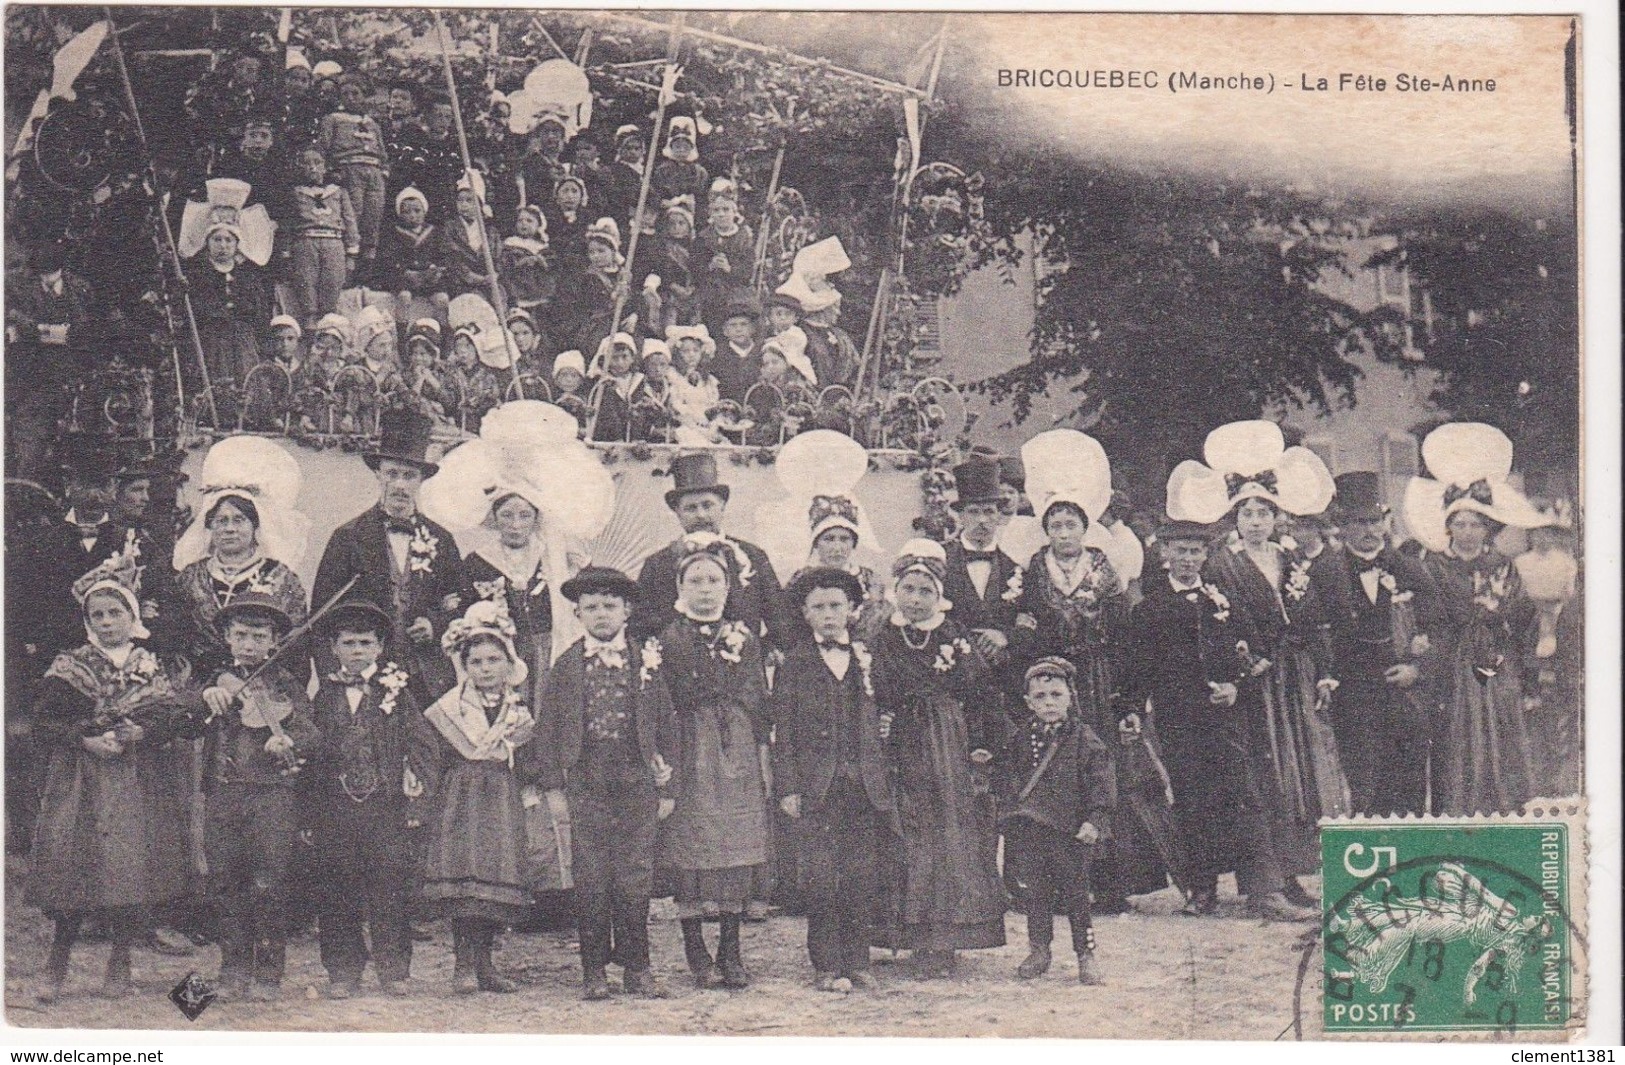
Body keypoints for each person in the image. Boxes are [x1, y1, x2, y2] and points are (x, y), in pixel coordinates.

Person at [1166, 420, 1346, 902]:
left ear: (1276, 517)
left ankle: (1291, 872)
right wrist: (1246, 663)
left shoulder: (1289, 561)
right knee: (1261, 775)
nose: (1256, 522)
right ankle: (1262, 878)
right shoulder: (1222, 565)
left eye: (1264, 512)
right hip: (1252, 682)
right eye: (1247, 513)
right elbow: (1217, 626)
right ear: (1235, 519)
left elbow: (1314, 621)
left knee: (1296, 772)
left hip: (1291, 679)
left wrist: (1322, 671)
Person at [1115, 519, 1310, 921]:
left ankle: (1264, 890)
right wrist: (1130, 710)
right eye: (1180, 551)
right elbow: (1136, 670)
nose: (1188, 559)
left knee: (1245, 796)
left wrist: (1236, 685)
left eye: (1195, 551)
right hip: (1178, 718)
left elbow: (1255, 652)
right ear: (1165, 554)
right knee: (1192, 800)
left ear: (1206, 555)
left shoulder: (1223, 600)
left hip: (1226, 717)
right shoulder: (1149, 609)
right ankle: (1201, 889)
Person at [27, 549, 199, 1001]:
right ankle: (56, 967)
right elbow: (43, 724)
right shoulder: (70, 667)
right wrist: (84, 739)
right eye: (97, 615)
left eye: (115, 613)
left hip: (138, 781)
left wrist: (143, 732)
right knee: (76, 869)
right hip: (83, 783)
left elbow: (176, 719)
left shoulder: (151, 665)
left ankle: (120, 962)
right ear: (87, 622)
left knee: (130, 870)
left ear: (132, 615)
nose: (106, 622)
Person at [1013, 433, 1168, 912]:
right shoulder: (1033, 570)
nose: (1064, 534)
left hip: (1098, 681)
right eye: (1055, 525)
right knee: (1058, 774)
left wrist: (1127, 699)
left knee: (1100, 772)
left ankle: (1111, 882)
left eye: (1071, 524)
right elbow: (1025, 625)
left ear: (1085, 527)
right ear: (1046, 530)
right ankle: (1062, 884)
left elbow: (1126, 639)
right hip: (1053, 684)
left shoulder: (1105, 570)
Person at [537, 567, 677, 1000]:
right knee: (592, 877)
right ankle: (593, 970)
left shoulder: (647, 662)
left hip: (636, 781)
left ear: (627, 610)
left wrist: (667, 785)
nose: (601, 614)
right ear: (578, 613)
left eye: (610, 606)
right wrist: (553, 788)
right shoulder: (567, 666)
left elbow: (667, 724)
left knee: (635, 877)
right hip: (587, 782)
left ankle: (638, 968)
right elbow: (548, 730)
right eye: (592, 607)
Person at [872, 538, 1007, 976]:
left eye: (925, 591)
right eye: (908, 590)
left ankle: (946, 938)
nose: (915, 600)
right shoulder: (882, 636)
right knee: (905, 832)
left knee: (947, 835)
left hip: (945, 744)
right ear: (896, 591)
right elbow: (871, 689)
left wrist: (981, 743)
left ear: (939, 595)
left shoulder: (952, 636)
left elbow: (982, 692)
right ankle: (906, 934)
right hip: (899, 744)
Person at [1403, 422, 1544, 815]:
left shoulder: (1502, 565)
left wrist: (1526, 670)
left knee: (1501, 729)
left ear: (1489, 528)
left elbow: (1524, 618)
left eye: (1476, 524)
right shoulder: (1432, 566)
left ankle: (1502, 809)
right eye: (1460, 523)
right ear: (1448, 526)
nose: (1467, 531)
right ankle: (1457, 810)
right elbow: (1424, 616)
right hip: (1451, 663)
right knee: (1455, 736)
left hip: (1497, 663)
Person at [302, 601, 437, 999]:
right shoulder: (324, 695)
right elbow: (312, 754)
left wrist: (416, 798)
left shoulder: (397, 692)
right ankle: (343, 970)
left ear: (379, 647)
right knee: (337, 886)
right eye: (348, 643)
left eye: (365, 643)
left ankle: (393, 968)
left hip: (384, 805)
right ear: (334, 648)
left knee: (389, 886)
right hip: (336, 807)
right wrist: (310, 811)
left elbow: (422, 747)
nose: (357, 651)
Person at [774, 567, 897, 992]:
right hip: (817, 787)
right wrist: (788, 787)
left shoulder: (866, 658)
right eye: (819, 607)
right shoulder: (795, 663)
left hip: (863, 784)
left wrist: (884, 739)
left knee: (862, 875)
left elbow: (886, 707)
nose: (828, 615)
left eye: (836, 606)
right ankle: (826, 964)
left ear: (851, 610)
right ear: (805, 614)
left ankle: (858, 960)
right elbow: (784, 730)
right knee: (822, 878)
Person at [657, 536, 772, 989]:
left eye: (713, 581)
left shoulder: (744, 636)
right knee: (691, 841)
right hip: (688, 744)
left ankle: (731, 946)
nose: (705, 589)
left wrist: (757, 743)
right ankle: (695, 947)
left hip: (735, 744)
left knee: (736, 841)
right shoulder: (668, 638)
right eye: (695, 581)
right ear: (680, 587)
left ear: (727, 587)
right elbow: (662, 698)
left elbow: (757, 692)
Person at [192, 593, 319, 1002]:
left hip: (272, 796)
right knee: (225, 882)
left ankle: (268, 972)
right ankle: (232, 970)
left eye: (259, 637)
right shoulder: (212, 680)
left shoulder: (286, 683)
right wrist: (205, 697)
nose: (249, 644)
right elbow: (181, 717)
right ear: (227, 637)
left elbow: (310, 732)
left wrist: (288, 740)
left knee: (268, 883)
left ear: (274, 641)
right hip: (224, 792)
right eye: (241, 635)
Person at [421, 600, 537, 994]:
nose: (485, 669)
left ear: (508, 662)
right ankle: (464, 964)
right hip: (462, 796)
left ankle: (486, 963)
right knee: (466, 883)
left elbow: (528, 757)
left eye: (493, 660)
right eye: (476, 662)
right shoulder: (450, 708)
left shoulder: (518, 710)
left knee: (495, 879)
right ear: (464, 665)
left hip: (501, 795)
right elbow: (435, 757)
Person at [313, 408, 465, 704]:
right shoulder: (348, 537)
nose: (399, 485)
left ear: (421, 480)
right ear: (378, 474)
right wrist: (336, 682)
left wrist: (434, 624)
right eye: (392, 474)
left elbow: (462, 602)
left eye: (409, 476)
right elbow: (322, 617)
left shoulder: (442, 540)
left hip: (427, 678)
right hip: (365, 677)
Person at [1314, 472, 1443, 817]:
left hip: (1404, 692)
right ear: (1342, 526)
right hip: (1353, 695)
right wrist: (1327, 676)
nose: (1369, 530)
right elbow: (1315, 633)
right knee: (1365, 785)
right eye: (1359, 522)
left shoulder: (1409, 569)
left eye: (1375, 521)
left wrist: (1417, 669)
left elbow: (1437, 627)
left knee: (1409, 783)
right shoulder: (1325, 573)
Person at [999, 657, 1114, 984]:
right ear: (1028, 702)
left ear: (1070, 698)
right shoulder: (1022, 739)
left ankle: (1086, 954)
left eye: (1056, 695)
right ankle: (1039, 949)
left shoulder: (1085, 739)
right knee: (1035, 893)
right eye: (1040, 696)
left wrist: (1095, 820)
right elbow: (1009, 779)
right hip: (1033, 831)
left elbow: (1101, 783)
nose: (1049, 703)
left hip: (1070, 832)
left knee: (1077, 896)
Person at [171, 437, 311, 677]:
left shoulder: (282, 579)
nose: (230, 529)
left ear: (255, 526)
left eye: (239, 520)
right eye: (221, 521)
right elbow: (178, 642)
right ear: (210, 526)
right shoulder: (190, 578)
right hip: (202, 684)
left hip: (266, 685)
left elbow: (296, 647)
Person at [632, 451, 790, 648]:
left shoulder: (752, 556)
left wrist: (755, 653)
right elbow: (640, 629)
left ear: (722, 505)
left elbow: (781, 623)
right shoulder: (658, 564)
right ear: (677, 512)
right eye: (691, 508)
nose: (701, 515)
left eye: (708, 505)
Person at [187, 221, 273, 389]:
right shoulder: (198, 274)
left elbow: (259, 310)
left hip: (242, 339)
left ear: (236, 244)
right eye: (217, 240)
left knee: (246, 379)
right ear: (208, 243)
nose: (223, 245)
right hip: (212, 339)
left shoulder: (247, 275)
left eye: (228, 240)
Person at [316, 75, 389, 268]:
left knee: (373, 217)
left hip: (373, 172)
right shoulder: (333, 119)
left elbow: (382, 151)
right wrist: (331, 171)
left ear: (364, 96)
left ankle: (368, 264)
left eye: (355, 93)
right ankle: (349, 263)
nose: (350, 98)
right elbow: (323, 147)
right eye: (345, 94)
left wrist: (384, 171)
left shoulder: (373, 123)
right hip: (350, 170)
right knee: (353, 215)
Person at [285, 147, 359, 327]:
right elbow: (288, 223)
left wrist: (351, 253)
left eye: (317, 163)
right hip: (305, 243)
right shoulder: (295, 193)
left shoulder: (339, 192)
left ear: (325, 167)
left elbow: (350, 221)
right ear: (300, 167)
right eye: (306, 163)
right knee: (306, 284)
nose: (312, 167)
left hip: (333, 243)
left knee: (332, 284)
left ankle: (328, 326)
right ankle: (310, 326)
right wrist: (286, 252)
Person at [373, 187, 448, 328]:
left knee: (442, 299)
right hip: (404, 277)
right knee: (404, 297)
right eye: (407, 212)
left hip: (428, 278)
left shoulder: (434, 232)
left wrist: (436, 270)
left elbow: (442, 256)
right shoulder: (394, 233)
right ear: (400, 214)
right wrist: (404, 271)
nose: (412, 215)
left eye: (417, 211)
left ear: (425, 211)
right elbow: (389, 259)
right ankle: (402, 334)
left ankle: (444, 334)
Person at [586, 332, 660, 443]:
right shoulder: (602, 383)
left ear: (632, 358)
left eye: (624, 357)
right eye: (614, 358)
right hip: (609, 439)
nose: (620, 362)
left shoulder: (639, 380)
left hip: (636, 438)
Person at [499, 205, 556, 315]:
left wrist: (541, 261)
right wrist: (523, 262)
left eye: (529, 221)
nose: (524, 224)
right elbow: (506, 265)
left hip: (540, 289)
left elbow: (551, 266)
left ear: (538, 225)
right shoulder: (511, 244)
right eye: (520, 221)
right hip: (518, 287)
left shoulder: (542, 246)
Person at [713, 296, 763, 405]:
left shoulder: (762, 352)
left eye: (743, 324)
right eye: (733, 325)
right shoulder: (718, 357)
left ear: (752, 329)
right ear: (725, 331)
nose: (738, 329)